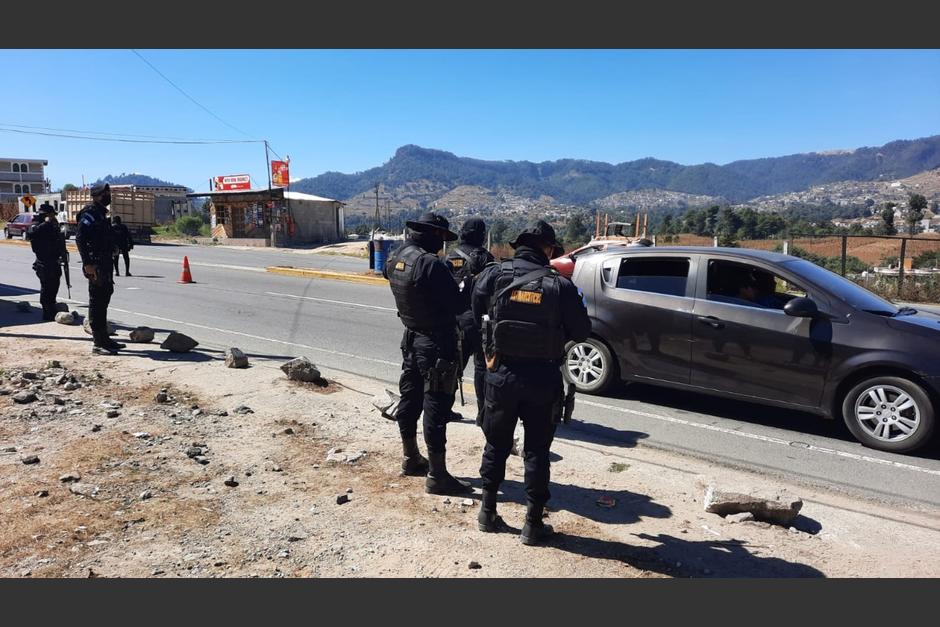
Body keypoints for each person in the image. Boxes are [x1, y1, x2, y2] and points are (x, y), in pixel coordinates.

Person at [472, 219, 591, 545]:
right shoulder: (560, 286)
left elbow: (476, 311)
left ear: (520, 246)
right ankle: (532, 523)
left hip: (501, 375)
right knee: (537, 451)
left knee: (496, 444)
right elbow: (582, 331)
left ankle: (487, 512)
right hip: (542, 379)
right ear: (548, 250)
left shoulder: (494, 275)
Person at [383, 211, 473, 495]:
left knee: (410, 398)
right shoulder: (430, 264)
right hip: (435, 344)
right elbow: (458, 304)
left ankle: (410, 457)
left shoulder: (396, 258)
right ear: (433, 234)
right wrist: (468, 284)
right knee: (436, 406)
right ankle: (437, 475)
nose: (443, 244)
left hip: (411, 338)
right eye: (442, 238)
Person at [444, 217, 495, 426]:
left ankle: (444, 408)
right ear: (481, 236)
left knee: (452, 365)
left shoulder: (450, 256)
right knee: (482, 368)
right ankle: (483, 415)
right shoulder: (485, 257)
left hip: (454, 320)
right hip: (478, 321)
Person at [76, 183, 125, 355]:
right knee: (97, 301)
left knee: (104, 298)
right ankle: (98, 343)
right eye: (105, 193)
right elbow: (80, 238)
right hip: (95, 263)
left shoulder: (101, 214)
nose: (108, 196)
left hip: (105, 262)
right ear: (97, 195)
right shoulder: (90, 214)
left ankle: (105, 339)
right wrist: (87, 263)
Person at [28, 203, 67, 321]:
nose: (53, 217)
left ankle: (52, 307)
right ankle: (47, 312)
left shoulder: (52, 226)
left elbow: (58, 240)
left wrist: (62, 253)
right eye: (51, 215)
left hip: (54, 261)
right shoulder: (36, 225)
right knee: (46, 287)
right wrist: (46, 223)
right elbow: (31, 233)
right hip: (43, 263)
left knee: (54, 285)